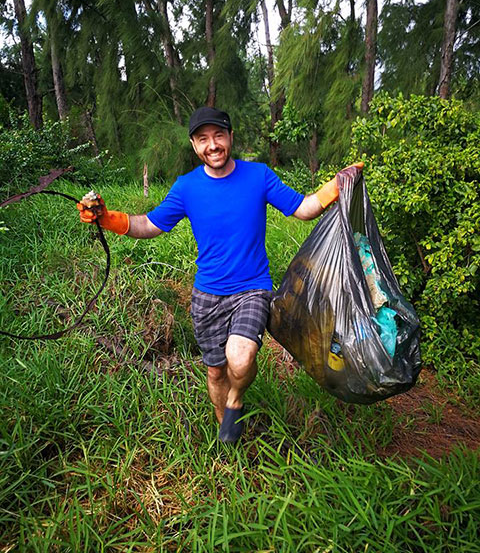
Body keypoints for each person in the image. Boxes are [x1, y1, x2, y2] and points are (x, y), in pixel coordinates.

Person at [77, 106, 363, 443]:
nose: (212, 145)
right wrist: (109, 219)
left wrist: (335, 186)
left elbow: (303, 209)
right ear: (194, 145)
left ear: (229, 138)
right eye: (203, 139)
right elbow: (149, 225)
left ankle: (235, 399)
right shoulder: (186, 188)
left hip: (252, 288)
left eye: (218, 136)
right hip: (207, 294)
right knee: (215, 371)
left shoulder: (258, 176)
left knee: (240, 360)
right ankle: (225, 427)